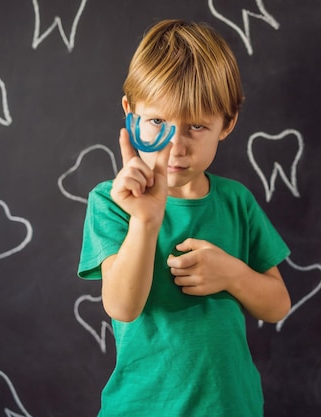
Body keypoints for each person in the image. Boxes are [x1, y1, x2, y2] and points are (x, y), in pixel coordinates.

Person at [78, 19, 292, 417]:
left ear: (227, 124)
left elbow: (278, 305)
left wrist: (232, 274)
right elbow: (122, 307)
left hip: (231, 406)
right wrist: (144, 221)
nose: (176, 147)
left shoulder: (236, 202)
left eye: (196, 126)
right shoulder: (110, 202)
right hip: (141, 408)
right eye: (158, 122)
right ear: (131, 112)